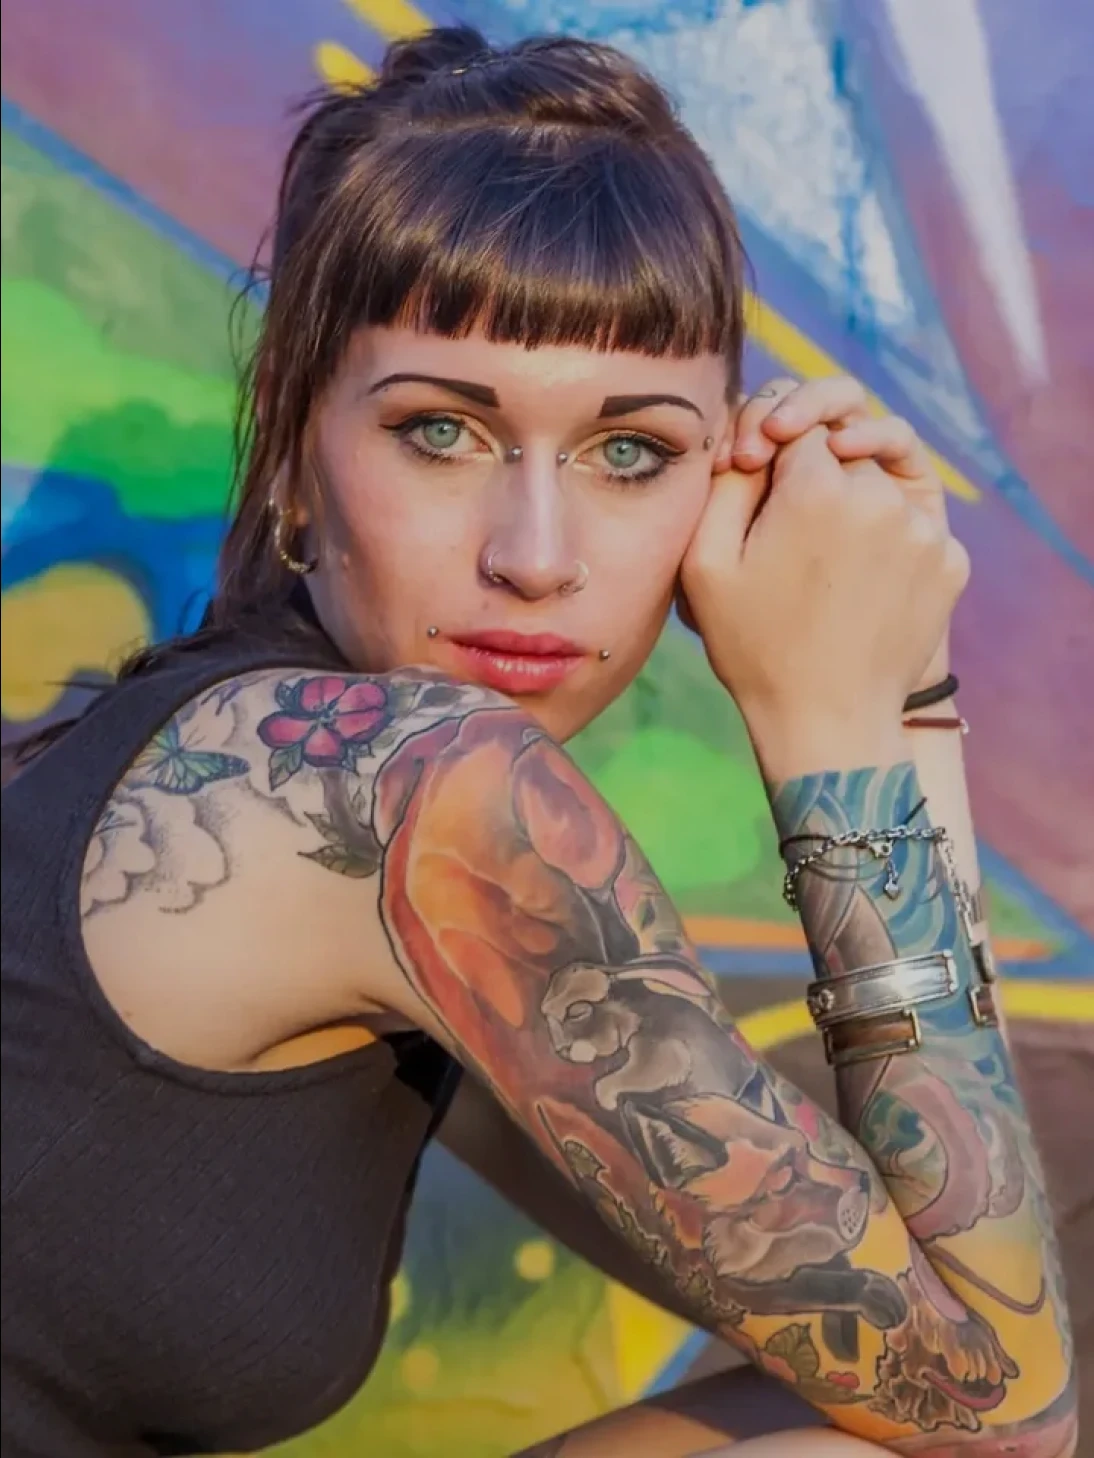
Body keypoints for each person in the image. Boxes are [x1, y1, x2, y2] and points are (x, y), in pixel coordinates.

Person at [0, 25, 1076, 1458]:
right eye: (440, 431)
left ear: (713, 480)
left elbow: (947, 1280)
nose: (535, 552)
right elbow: (1004, 1407)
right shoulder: (421, 799)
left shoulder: (247, 759)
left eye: (630, 451)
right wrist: (835, 724)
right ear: (296, 450)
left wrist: (905, 699)